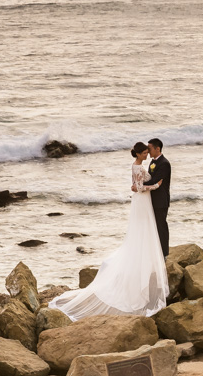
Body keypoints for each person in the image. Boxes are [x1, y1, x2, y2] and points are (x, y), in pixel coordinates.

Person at [48, 142, 169, 320]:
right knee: (143, 227)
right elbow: (138, 187)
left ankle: (149, 250)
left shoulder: (145, 164)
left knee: (146, 227)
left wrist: (145, 186)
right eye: (144, 152)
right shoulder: (137, 166)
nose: (147, 154)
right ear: (138, 154)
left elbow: (138, 186)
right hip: (142, 201)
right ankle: (145, 252)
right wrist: (156, 185)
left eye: (148, 151)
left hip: (143, 202)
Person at [143, 137, 172, 257]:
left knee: (161, 227)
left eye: (149, 148)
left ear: (157, 148)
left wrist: (140, 185)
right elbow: (150, 178)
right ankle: (156, 251)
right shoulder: (153, 162)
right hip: (153, 199)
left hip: (161, 201)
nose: (148, 151)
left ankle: (164, 254)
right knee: (153, 227)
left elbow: (155, 181)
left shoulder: (164, 163)